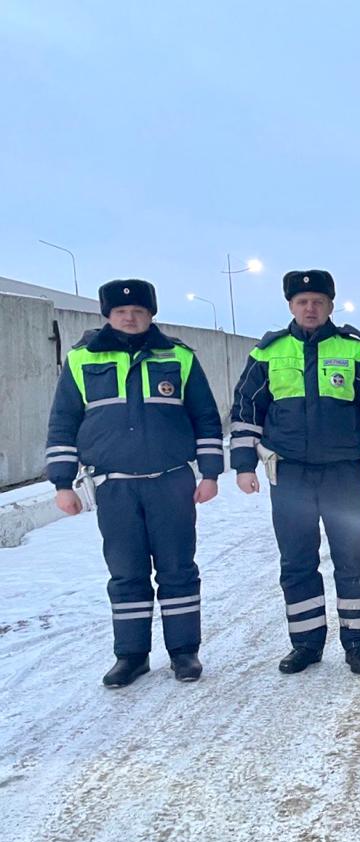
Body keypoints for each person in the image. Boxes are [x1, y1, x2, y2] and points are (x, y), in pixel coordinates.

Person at [45, 279, 224, 687]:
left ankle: (184, 653)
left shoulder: (178, 356)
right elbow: (63, 423)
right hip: (115, 488)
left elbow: (206, 417)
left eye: (139, 311)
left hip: (171, 482)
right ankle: (131, 656)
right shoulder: (81, 360)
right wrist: (62, 483)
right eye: (122, 311)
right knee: (126, 573)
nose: (130, 317)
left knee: (178, 569)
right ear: (107, 315)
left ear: (151, 314)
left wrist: (211, 473)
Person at [230, 269, 360, 676]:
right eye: (302, 302)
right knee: (297, 561)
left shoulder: (354, 351)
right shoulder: (268, 353)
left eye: (318, 301)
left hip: (342, 474)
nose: (310, 308)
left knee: (352, 559)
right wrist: (243, 466)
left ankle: (358, 644)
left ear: (330, 306)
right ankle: (305, 644)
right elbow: (246, 412)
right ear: (290, 306)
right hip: (289, 476)